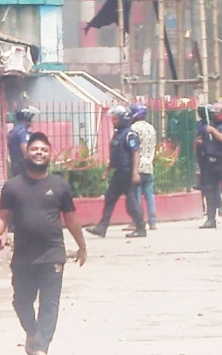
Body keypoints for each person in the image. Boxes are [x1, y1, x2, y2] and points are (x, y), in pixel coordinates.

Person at [0, 132, 87, 355]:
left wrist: (82, 246)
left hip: (52, 254)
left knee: (50, 304)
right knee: (21, 302)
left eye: (44, 150)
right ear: (26, 153)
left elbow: (71, 218)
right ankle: (32, 333)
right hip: (23, 256)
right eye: (34, 149)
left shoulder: (59, 186)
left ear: (50, 155)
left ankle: (41, 349)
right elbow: (4, 217)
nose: (39, 152)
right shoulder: (12, 186)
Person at [86, 105, 146, 238]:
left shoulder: (130, 135)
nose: (113, 121)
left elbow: (135, 153)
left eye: (116, 118)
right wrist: (107, 171)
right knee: (112, 198)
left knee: (128, 200)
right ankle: (103, 227)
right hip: (119, 171)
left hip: (126, 171)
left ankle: (140, 228)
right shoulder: (118, 134)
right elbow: (114, 155)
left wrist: (135, 172)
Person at [198, 101, 222, 228]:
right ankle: (210, 219)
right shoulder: (208, 125)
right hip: (209, 161)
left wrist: (213, 131)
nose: (214, 114)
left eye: (216, 111)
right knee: (210, 190)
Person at [127, 103, 158, 231]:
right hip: (149, 165)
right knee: (149, 195)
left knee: (136, 195)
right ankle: (153, 222)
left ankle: (137, 221)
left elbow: (132, 148)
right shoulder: (151, 128)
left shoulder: (133, 128)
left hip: (137, 166)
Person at [8, 106, 40, 178]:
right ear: (27, 118)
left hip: (15, 165)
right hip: (23, 167)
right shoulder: (23, 132)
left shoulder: (13, 131)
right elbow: (25, 151)